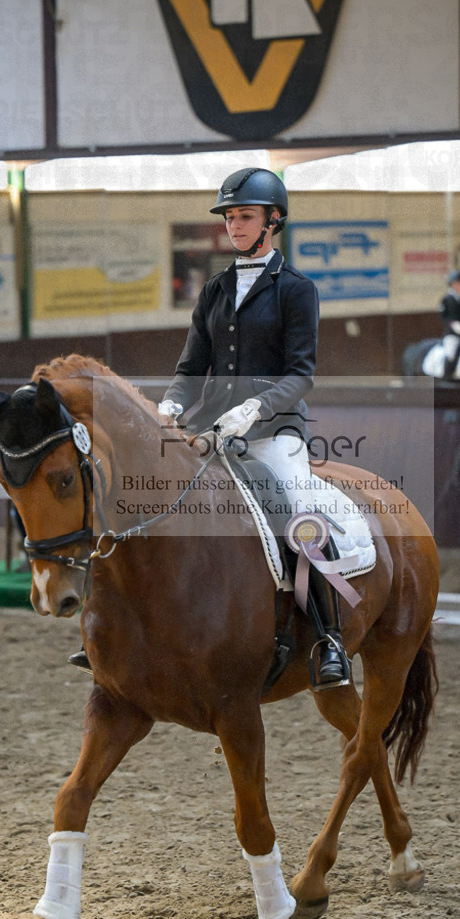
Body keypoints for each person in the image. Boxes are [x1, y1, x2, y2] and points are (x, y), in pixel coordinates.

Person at [156, 167, 349, 689]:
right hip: (212, 429)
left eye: (244, 216)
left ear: (273, 220)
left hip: (274, 431)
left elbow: (300, 375)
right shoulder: (216, 289)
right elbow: (192, 366)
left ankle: (329, 640)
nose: (234, 226)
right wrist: (171, 404)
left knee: (297, 513)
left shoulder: (297, 290)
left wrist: (256, 408)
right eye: (230, 217)